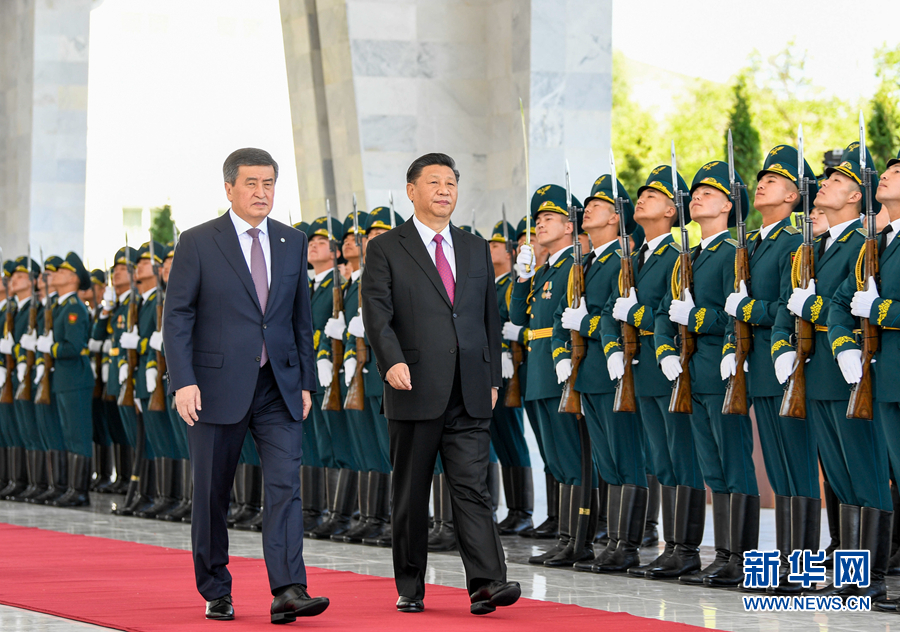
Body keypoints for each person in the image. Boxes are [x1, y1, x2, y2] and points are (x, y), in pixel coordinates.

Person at [163, 148, 328, 623]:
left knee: (285, 486)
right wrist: (183, 381)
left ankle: (288, 589)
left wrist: (306, 382)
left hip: (279, 385)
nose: (261, 192)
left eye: (269, 183)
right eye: (252, 183)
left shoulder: (292, 241)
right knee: (212, 493)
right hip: (214, 387)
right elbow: (177, 316)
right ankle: (216, 588)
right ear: (229, 188)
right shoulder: (198, 241)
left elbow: (299, 318)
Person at [361, 152, 519, 615]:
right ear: (412, 191)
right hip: (413, 385)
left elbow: (488, 318)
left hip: (470, 389)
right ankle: (410, 585)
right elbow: (377, 314)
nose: (444, 190)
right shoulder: (387, 247)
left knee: (472, 487)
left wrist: (492, 376)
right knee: (411, 492)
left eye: (450, 182)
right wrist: (390, 362)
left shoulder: (474, 247)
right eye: (434, 182)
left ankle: (486, 583)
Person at [657, 161, 759, 588]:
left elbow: (738, 312)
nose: (697, 197)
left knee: (734, 463)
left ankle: (742, 557)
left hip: (723, 370)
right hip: (692, 373)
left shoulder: (736, 251)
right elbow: (665, 310)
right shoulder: (690, 255)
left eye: (709, 193)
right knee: (712, 467)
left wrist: (696, 317)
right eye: (695, 193)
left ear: (729, 206)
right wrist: (665, 349)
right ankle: (722, 554)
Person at [835, 150, 900, 611]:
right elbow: (842, 300)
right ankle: (862, 579)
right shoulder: (877, 244)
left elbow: (869, 305)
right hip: (883, 382)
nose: (888, 176)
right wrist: (844, 345)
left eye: (898, 172)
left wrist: (879, 309)